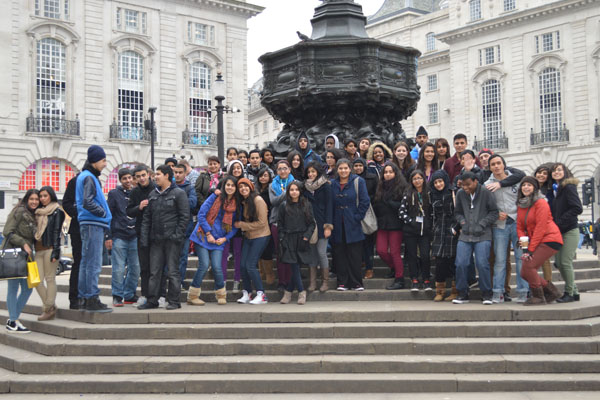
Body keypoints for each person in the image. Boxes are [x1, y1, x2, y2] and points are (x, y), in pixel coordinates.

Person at [139, 164, 190, 310]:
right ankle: (152, 300)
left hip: (172, 240)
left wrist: (177, 235)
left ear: (167, 175)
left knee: (172, 271)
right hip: (156, 240)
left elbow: (184, 217)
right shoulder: (153, 194)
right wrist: (145, 239)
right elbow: (146, 218)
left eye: (158, 174)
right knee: (154, 272)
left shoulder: (178, 193)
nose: (155, 177)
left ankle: (174, 301)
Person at [187, 175, 239, 306]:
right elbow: (201, 215)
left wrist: (225, 238)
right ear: (223, 186)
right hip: (203, 236)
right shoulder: (214, 197)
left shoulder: (237, 204)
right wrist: (208, 233)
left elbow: (235, 226)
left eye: (232, 185)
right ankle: (192, 295)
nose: (230, 187)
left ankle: (221, 294)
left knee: (217, 267)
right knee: (204, 265)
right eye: (228, 185)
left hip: (219, 240)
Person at [485, 155, 529, 303]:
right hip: (500, 227)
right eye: (493, 164)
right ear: (489, 167)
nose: (496, 166)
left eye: (499, 163)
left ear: (504, 165)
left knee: (522, 258)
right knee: (500, 260)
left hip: (520, 226)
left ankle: (524, 291)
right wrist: (496, 214)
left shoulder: (518, 180)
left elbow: (528, 198)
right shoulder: (487, 185)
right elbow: (485, 207)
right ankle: (498, 292)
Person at [452, 171, 499, 305]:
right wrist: (462, 222)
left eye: (468, 185)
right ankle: (462, 292)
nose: (465, 188)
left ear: (475, 182)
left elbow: (494, 212)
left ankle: (486, 293)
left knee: (482, 263)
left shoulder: (485, 192)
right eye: (462, 185)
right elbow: (458, 213)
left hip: (483, 234)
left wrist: (482, 224)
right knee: (461, 263)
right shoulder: (460, 194)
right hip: (465, 234)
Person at [76, 145, 113, 312]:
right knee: (93, 263)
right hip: (93, 223)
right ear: (95, 160)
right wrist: (103, 212)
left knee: (86, 262)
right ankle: (91, 297)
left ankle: (84, 297)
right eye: (103, 160)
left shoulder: (85, 176)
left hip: (88, 223)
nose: (105, 164)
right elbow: (88, 201)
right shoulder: (89, 177)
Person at [516, 177, 563, 305]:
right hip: (536, 240)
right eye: (524, 185)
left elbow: (540, 228)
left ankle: (538, 296)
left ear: (535, 188)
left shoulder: (541, 203)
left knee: (529, 266)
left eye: (529, 185)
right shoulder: (521, 204)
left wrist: (530, 250)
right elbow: (519, 226)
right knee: (524, 272)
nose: (526, 187)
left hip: (550, 238)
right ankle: (552, 292)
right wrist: (523, 241)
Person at [2, 189, 39, 332]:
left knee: (28, 288)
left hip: (26, 256)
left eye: (36, 199)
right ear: (26, 199)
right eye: (32, 199)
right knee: (13, 288)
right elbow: (7, 231)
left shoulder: (33, 214)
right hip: (15, 254)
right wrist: (23, 242)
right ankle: (13, 320)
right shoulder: (18, 211)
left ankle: (13, 318)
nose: (34, 201)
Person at [331, 159, 370, 291]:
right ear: (337, 169)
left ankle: (356, 282)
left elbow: (365, 201)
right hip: (337, 223)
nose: (343, 171)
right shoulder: (332, 183)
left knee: (355, 254)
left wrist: (357, 217)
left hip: (353, 223)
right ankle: (342, 282)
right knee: (340, 254)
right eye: (340, 168)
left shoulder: (358, 181)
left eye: (345, 168)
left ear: (350, 169)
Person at [278, 181, 317, 305]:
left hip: (302, 238)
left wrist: (306, 237)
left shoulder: (306, 205)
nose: (294, 192)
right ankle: (301, 291)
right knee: (294, 265)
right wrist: (282, 238)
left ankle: (289, 291)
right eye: (291, 190)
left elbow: (312, 223)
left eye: (296, 189)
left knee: (297, 265)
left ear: (300, 191)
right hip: (289, 238)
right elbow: (280, 224)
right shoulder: (284, 205)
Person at [550, 162, 583, 303]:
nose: (556, 172)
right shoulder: (557, 189)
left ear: (565, 172)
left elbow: (577, 208)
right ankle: (574, 291)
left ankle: (569, 291)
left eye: (559, 170)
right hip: (559, 231)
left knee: (565, 261)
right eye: (554, 171)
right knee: (558, 262)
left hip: (569, 230)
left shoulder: (568, 187)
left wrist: (560, 221)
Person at [234, 178, 271, 304]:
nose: (243, 189)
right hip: (249, 236)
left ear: (251, 187)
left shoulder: (258, 200)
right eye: (240, 187)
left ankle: (261, 294)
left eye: (245, 186)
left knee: (250, 265)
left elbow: (262, 223)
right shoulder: (244, 202)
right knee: (242, 265)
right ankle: (247, 292)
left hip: (261, 235)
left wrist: (242, 225)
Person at [106, 168, 139, 307]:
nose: (128, 181)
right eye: (124, 178)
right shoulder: (114, 194)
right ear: (120, 180)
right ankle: (117, 295)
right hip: (119, 235)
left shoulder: (137, 193)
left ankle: (130, 294)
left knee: (135, 267)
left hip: (135, 235)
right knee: (118, 268)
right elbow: (109, 215)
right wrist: (108, 236)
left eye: (129, 178)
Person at [33, 185, 65, 320]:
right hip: (38, 250)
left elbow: (56, 232)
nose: (42, 198)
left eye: (45, 196)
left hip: (50, 248)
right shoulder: (38, 212)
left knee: (50, 278)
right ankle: (50, 306)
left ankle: (47, 309)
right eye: (40, 196)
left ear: (51, 196)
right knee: (36, 281)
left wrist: (56, 251)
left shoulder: (57, 211)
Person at [373, 162, 406, 290]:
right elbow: (377, 204)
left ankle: (400, 279)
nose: (387, 174)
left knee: (395, 252)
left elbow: (402, 206)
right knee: (381, 250)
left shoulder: (402, 187)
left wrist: (389, 203)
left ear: (395, 173)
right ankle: (394, 267)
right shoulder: (380, 187)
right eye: (385, 172)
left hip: (396, 224)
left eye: (390, 172)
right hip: (382, 223)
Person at [127, 164, 156, 306]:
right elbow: (129, 211)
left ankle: (159, 295)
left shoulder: (156, 188)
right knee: (144, 266)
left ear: (149, 175)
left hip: (157, 232)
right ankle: (145, 294)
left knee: (157, 266)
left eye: (143, 175)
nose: (142, 178)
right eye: (138, 177)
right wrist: (138, 207)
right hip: (141, 233)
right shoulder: (134, 192)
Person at [399, 170, 433, 291]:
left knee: (425, 255)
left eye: (419, 178)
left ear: (424, 179)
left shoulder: (429, 193)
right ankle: (414, 279)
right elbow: (401, 212)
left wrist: (429, 223)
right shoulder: (407, 193)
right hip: (410, 231)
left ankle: (426, 279)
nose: (417, 181)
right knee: (412, 256)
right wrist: (410, 221)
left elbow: (433, 211)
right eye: (414, 179)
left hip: (425, 231)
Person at [304, 161, 333, 292]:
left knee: (321, 252)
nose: (311, 174)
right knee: (312, 254)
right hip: (310, 225)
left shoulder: (325, 186)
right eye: (309, 172)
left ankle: (325, 282)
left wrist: (328, 226)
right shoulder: (305, 188)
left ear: (318, 172)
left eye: (313, 172)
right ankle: (312, 283)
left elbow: (329, 206)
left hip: (322, 224)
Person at [429, 170, 458, 301]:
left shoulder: (453, 192)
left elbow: (459, 211)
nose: (438, 184)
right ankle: (439, 291)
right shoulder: (432, 195)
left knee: (452, 261)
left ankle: (454, 291)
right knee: (440, 262)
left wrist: (456, 227)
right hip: (438, 231)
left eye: (440, 181)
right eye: (435, 182)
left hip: (452, 230)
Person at [269, 160, 295, 291]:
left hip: (292, 222)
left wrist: (291, 191)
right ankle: (282, 281)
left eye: (285, 168)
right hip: (277, 221)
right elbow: (273, 201)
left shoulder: (296, 183)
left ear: (289, 169)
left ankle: (291, 280)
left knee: (290, 252)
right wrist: (287, 193)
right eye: (280, 169)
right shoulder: (273, 185)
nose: (283, 171)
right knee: (280, 253)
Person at [352, 158, 379, 279]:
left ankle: (369, 268)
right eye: (355, 165)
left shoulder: (372, 178)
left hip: (368, 212)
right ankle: (362, 263)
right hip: (354, 214)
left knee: (368, 244)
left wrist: (365, 201)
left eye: (360, 165)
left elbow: (377, 193)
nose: (358, 168)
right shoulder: (350, 179)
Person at [173, 163, 198, 291]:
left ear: (185, 174)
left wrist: (175, 201)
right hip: (170, 228)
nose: (177, 175)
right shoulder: (168, 186)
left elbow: (193, 203)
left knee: (183, 257)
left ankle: (179, 282)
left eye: (180, 172)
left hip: (185, 228)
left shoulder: (189, 188)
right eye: (175, 172)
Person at [222, 159, 245, 292]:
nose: (236, 170)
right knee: (224, 254)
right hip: (224, 227)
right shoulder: (224, 184)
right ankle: (223, 281)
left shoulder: (243, 185)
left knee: (238, 254)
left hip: (237, 225)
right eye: (234, 168)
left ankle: (237, 280)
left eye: (239, 168)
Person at [62, 172, 83, 310]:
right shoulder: (75, 181)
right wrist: (80, 211)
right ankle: (74, 297)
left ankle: (88, 295)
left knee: (90, 265)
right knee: (78, 263)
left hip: (93, 229)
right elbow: (66, 203)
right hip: (78, 228)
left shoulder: (96, 182)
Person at [256, 167, 276, 285]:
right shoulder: (255, 189)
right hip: (256, 222)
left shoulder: (271, 189)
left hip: (268, 221)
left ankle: (269, 273)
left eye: (265, 176)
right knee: (258, 248)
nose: (263, 178)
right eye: (261, 176)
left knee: (267, 248)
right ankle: (261, 272)